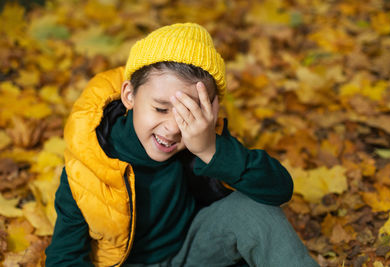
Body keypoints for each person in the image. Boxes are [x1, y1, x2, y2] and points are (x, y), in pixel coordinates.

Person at [45, 23, 319, 267]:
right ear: (129, 95)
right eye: (161, 108)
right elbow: (64, 256)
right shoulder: (90, 161)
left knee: (254, 211)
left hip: (191, 250)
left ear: (210, 110)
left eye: (188, 113)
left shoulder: (199, 138)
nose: (174, 129)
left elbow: (280, 189)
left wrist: (210, 150)